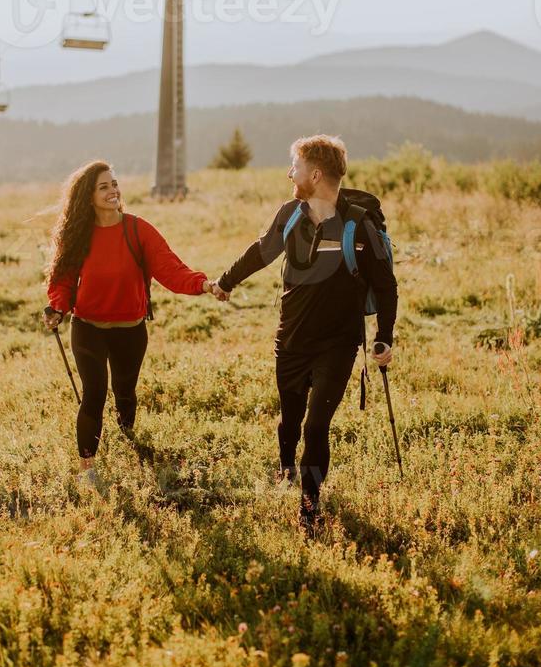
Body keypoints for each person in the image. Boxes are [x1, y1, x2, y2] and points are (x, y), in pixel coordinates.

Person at [211, 135, 398, 537]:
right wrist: (227, 281)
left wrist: (384, 336)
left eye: (294, 167)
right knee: (291, 421)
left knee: (316, 427)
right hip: (291, 340)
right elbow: (262, 251)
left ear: (315, 174)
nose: (288, 174)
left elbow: (386, 285)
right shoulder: (290, 214)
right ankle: (285, 465)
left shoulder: (358, 225)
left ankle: (309, 512)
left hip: (339, 344)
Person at [43, 159, 216, 489]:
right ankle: (87, 469)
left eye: (114, 184)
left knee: (125, 392)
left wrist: (203, 284)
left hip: (130, 330)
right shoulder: (78, 236)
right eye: (104, 186)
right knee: (93, 394)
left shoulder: (138, 230)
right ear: (87, 196)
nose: (113, 191)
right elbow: (62, 282)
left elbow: (172, 270)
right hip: (88, 327)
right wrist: (57, 309)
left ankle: (129, 438)